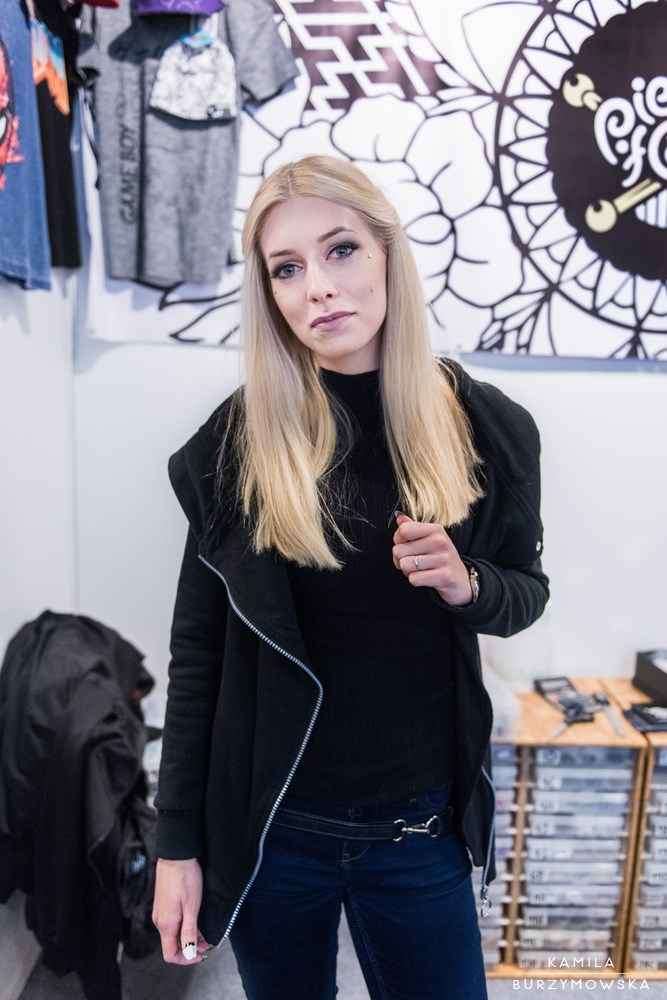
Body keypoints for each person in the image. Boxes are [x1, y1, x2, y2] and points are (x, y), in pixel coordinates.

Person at [151, 154, 550, 998]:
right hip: (272, 832)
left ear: (386, 255)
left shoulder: (489, 428)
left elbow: (524, 594)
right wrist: (175, 846)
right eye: (286, 269)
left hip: (418, 832)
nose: (318, 289)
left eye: (340, 251)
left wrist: (466, 583)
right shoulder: (236, 446)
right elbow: (198, 658)